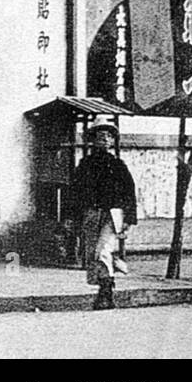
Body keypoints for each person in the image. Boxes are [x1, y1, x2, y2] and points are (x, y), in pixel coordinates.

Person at [66, 121, 137, 310]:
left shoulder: (117, 164)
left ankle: (107, 293)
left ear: (112, 141)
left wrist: (129, 218)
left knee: (102, 250)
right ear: (93, 141)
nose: (104, 139)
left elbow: (129, 192)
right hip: (91, 213)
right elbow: (75, 191)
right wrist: (71, 216)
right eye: (100, 136)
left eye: (108, 136)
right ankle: (103, 291)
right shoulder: (86, 164)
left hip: (112, 214)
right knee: (92, 254)